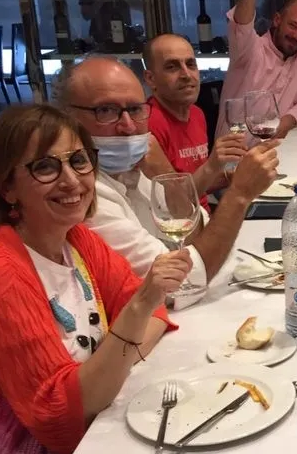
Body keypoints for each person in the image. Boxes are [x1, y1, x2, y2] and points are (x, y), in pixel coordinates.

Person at [0, 105, 187, 454]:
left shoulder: (77, 241)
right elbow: (60, 418)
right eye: (45, 167)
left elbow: (156, 317)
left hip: (88, 435)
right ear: (7, 187)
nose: (71, 180)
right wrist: (132, 318)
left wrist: (103, 371)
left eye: (78, 160)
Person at [51, 56, 279, 308]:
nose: (128, 126)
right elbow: (188, 281)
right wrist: (239, 195)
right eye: (106, 111)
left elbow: (200, 234)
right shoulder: (78, 195)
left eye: (136, 109)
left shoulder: (140, 168)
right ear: (66, 119)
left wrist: (168, 177)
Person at [143, 33, 248, 211]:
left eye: (191, 64)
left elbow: (197, 183)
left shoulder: (197, 114)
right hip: (182, 227)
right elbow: (170, 205)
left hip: (203, 216)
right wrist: (212, 165)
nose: (186, 74)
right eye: (172, 67)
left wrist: (230, 176)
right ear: (151, 79)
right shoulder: (148, 124)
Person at [218, 0, 297, 141]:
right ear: (277, 20)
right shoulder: (249, 48)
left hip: (275, 152)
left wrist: (285, 123)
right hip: (234, 156)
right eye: (293, 26)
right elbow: (241, 25)